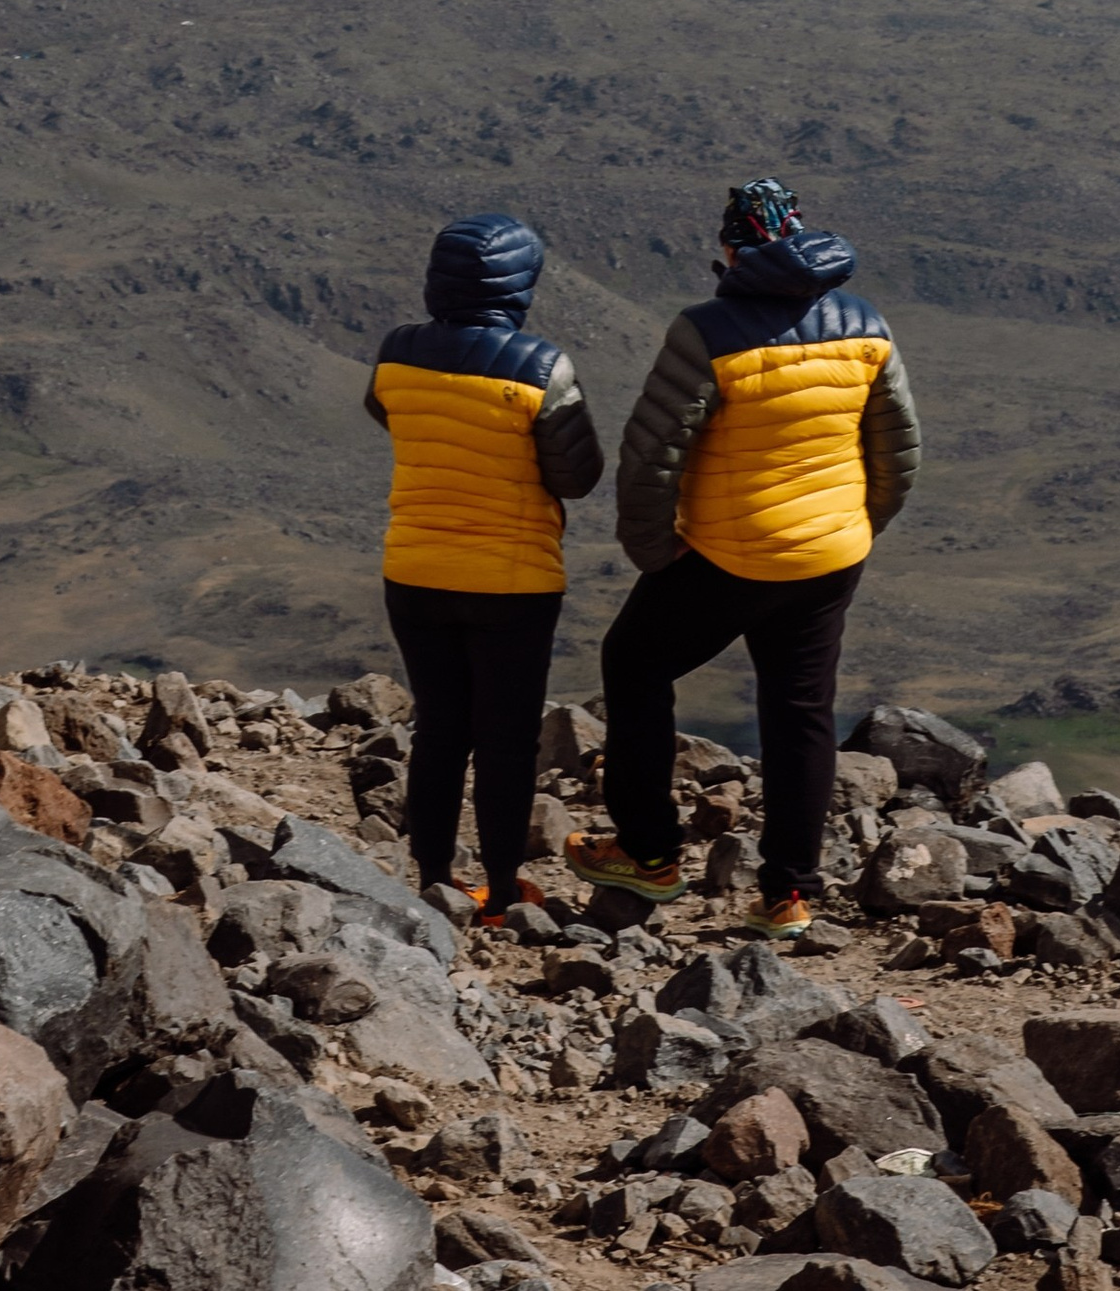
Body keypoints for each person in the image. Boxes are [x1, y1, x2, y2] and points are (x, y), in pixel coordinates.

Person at [569, 175, 921, 945]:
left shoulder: (707, 331)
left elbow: (652, 454)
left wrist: (656, 552)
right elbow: (896, 447)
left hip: (729, 554)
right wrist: (855, 527)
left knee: (633, 661)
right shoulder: (865, 323)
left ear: (730, 250)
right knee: (800, 712)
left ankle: (649, 852)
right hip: (831, 555)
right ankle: (788, 893)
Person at [365, 210, 604, 919]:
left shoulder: (395, 352)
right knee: (505, 738)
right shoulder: (541, 367)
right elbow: (578, 474)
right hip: (513, 581)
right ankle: (502, 889)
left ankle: (433, 877)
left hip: (413, 571)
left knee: (440, 727)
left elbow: (387, 411)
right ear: (519, 283)